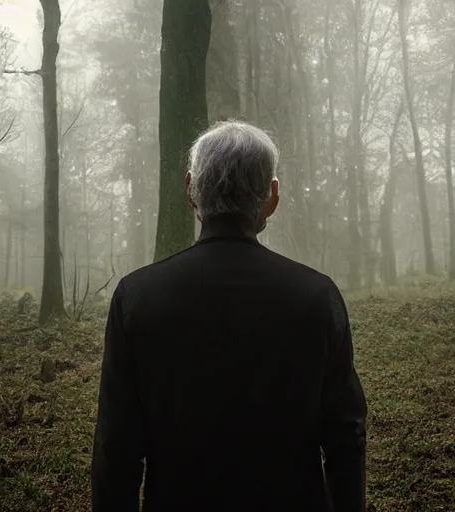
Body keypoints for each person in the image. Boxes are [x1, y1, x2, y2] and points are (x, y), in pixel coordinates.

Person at [91, 121, 367, 512]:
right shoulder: (317, 297)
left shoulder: (137, 297)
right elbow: (346, 437)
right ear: (272, 197)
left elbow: (116, 447)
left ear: (190, 189)